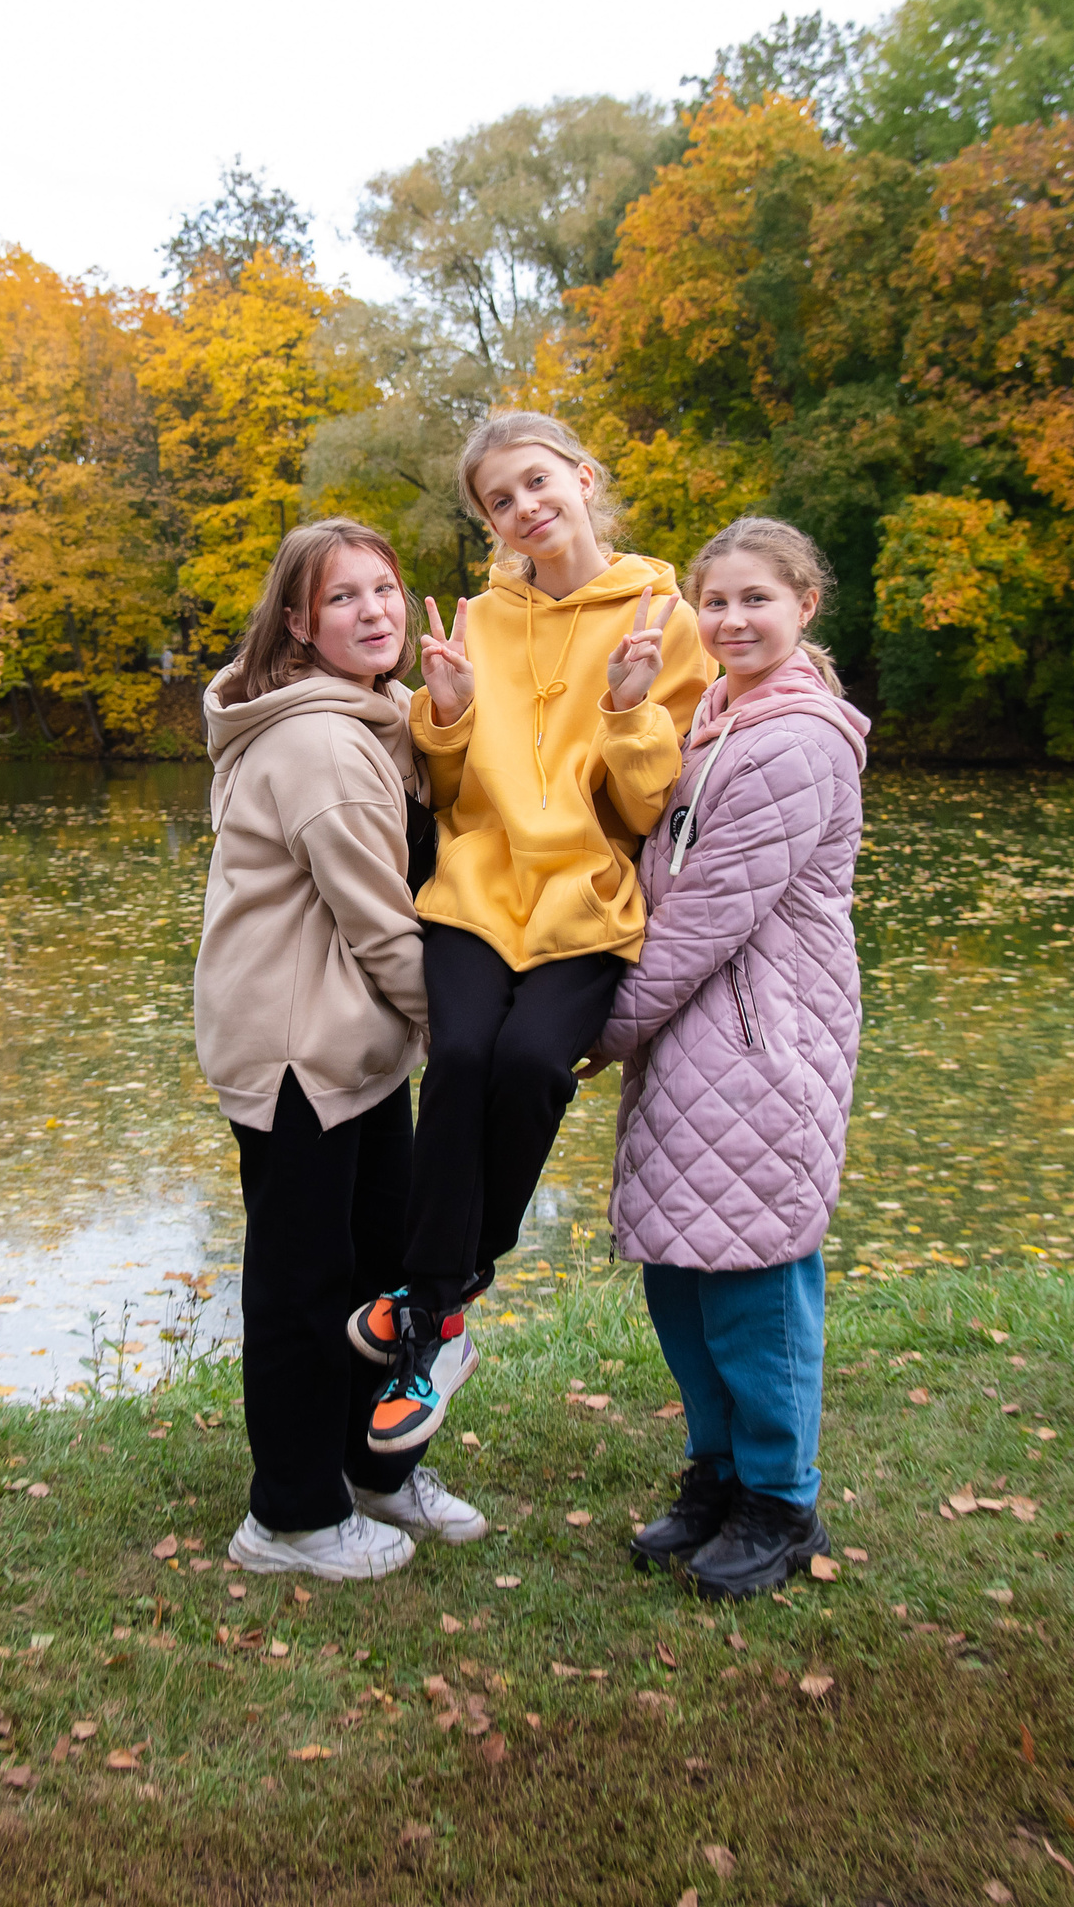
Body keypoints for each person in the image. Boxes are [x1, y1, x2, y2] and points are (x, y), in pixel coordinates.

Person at [350, 412, 715, 1456]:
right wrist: (448, 713)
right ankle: (438, 1318)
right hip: (474, 891)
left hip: (587, 902)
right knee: (461, 1055)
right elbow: (448, 791)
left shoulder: (665, 617)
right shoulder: (483, 620)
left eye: (537, 482)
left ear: (583, 477)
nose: (524, 508)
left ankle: (445, 1289)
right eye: (499, 500)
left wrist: (632, 710)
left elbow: (647, 811)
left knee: (528, 1066)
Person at [195, 517, 487, 1580]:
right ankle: (291, 1517)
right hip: (298, 1055)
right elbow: (382, 927)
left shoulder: (369, 715)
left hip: (356, 1044)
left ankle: (376, 1470)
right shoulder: (320, 745)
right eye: (342, 597)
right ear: (297, 622)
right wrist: (467, 1046)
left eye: (385, 589)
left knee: (379, 1278)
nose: (374, 612)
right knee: (305, 1289)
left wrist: (448, 714)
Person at [591, 516, 870, 1600]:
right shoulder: (714, 719)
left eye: (757, 599)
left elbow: (705, 915)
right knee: (682, 1273)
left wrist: (594, 1032)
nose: (732, 619)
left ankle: (779, 1502)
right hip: (693, 1043)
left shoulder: (795, 741)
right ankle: (716, 1476)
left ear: (805, 604)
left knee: (754, 1284)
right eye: (715, 601)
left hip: (762, 1045)